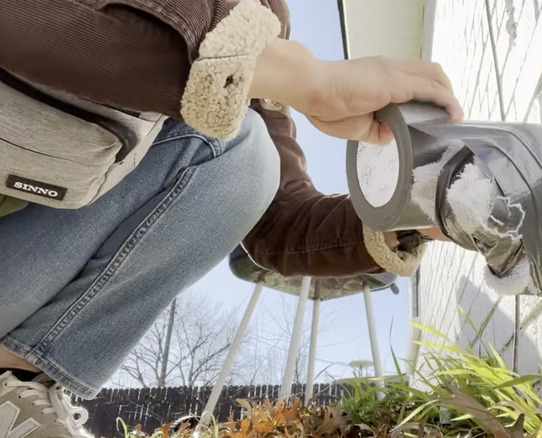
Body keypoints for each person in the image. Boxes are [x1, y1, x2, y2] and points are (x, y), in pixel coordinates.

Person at [0, 1, 460, 437]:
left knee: (239, 149)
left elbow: (278, 218)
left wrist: (408, 215)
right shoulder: (267, 49)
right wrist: (293, 74)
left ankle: (13, 384)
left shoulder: (260, 19)